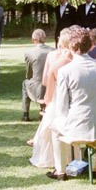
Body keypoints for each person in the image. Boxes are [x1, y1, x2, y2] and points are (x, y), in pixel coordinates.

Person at [48, 28, 96, 181]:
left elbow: (61, 108)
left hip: (79, 126)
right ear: (91, 46)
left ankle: (60, 170)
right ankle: (94, 167)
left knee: (54, 125)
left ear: (70, 47)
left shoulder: (65, 71)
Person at [29, 28, 73, 168]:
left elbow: (45, 82)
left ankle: (52, 159)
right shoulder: (76, 58)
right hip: (73, 100)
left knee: (50, 127)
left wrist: (48, 100)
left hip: (56, 97)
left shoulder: (53, 56)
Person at [21, 29, 54, 121]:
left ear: (33, 39)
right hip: (51, 86)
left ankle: (25, 113)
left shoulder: (29, 53)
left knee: (25, 83)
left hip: (37, 87)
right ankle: (43, 110)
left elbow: (28, 73)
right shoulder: (53, 51)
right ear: (45, 39)